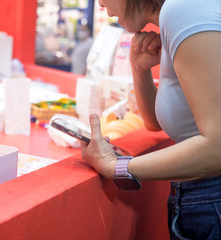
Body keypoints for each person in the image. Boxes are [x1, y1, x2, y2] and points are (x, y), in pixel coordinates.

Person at [81, 0, 221, 239]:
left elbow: (217, 146)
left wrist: (117, 167)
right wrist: (139, 68)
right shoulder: (177, 14)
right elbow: (156, 124)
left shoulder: (183, 10)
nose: (101, 4)